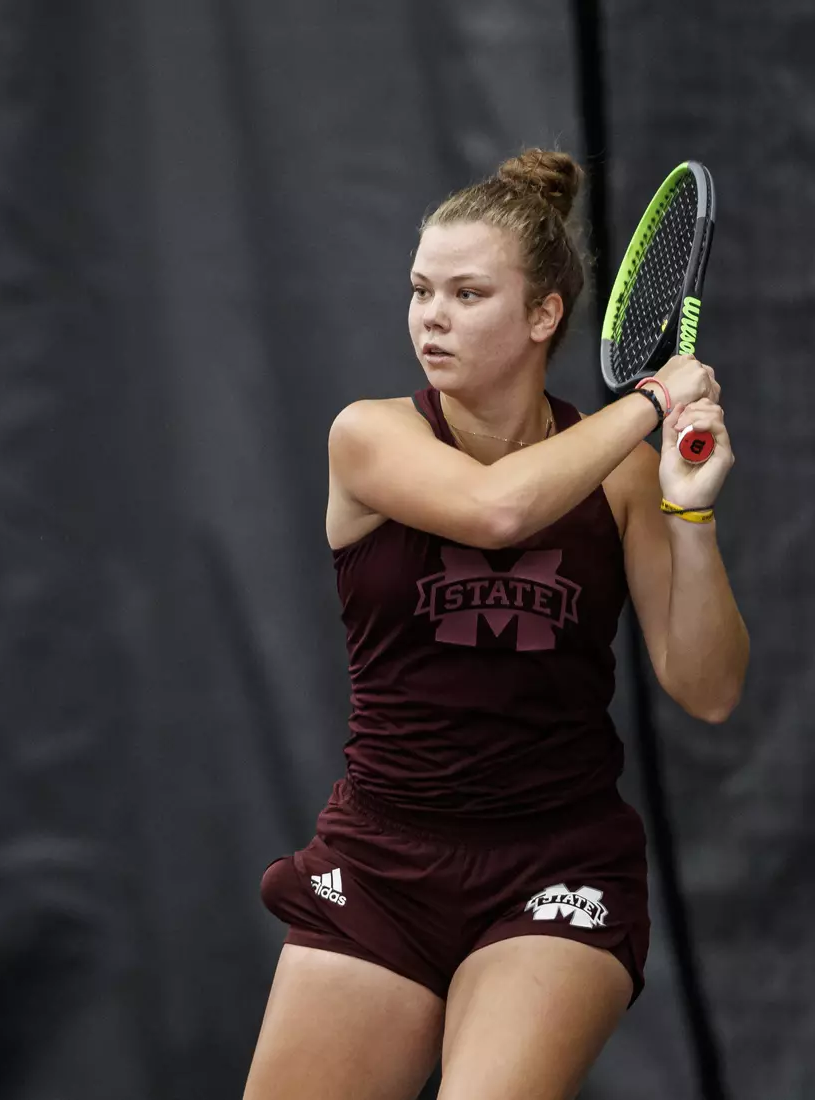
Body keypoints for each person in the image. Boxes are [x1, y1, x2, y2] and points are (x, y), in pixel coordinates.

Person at [242, 149, 750, 1100]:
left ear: (544, 315)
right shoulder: (370, 436)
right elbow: (497, 512)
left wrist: (691, 512)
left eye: (468, 293)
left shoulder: (626, 476)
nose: (431, 315)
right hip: (382, 859)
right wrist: (648, 402)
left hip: (558, 865)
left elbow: (710, 688)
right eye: (421, 289)